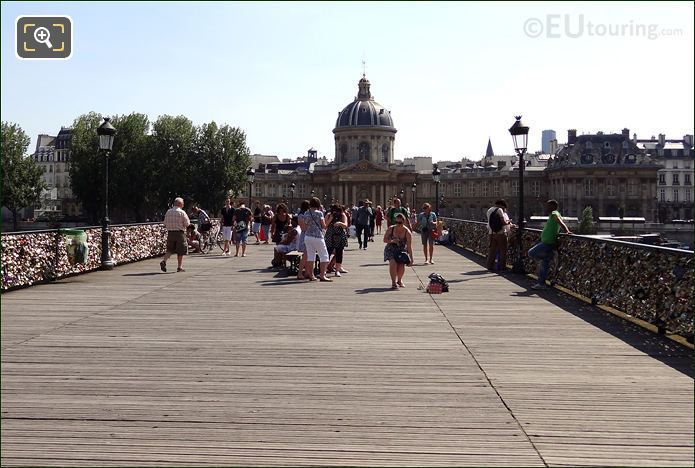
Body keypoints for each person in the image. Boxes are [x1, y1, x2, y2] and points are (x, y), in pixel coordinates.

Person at [528, 199, 572, 290]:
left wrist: (566, 231)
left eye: (548, 206)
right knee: (544, 264)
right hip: (547, 242)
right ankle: (541, 283)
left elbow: (560, 222)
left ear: (552, 206)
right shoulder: (553, 215)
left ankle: (548, 256)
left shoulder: (554, 213)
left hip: (548, 242)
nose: (546, 207)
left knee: (531, 252)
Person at [303, 197, 332, 282]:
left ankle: (311, 275)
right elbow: (324, 226)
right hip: (318, 236)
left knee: (311, 256)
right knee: (324, 256)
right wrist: (329, 220)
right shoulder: (319, 213)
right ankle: (322, 275)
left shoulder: (306, 213)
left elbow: (306, 224)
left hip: (308, 236)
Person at [383, 212, 413, 290]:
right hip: (391, 248)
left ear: (404, 222)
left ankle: (399, 280)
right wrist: (392, 241)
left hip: (401, 250)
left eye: (400, 222)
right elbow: (384, 239)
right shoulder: (391, 228)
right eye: (396, 222)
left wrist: (411, 259)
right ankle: (393, 282)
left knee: (401, 266)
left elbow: (409, 246)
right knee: (393, 263)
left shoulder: (407, 232)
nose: (398, 224)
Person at [160, 197, 190, 273]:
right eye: (183, 203)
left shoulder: (168, 212)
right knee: (180, 250)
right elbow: (187, 224)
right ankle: (179, 267)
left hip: (170, 233)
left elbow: (165, 223)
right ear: (180, 204)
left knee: (170, 249)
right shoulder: (182, 212)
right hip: (179, 233)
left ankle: (164, 261)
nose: (183, 204)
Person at [486, 199, 513, 271]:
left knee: (492, 251)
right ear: (501, 205)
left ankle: (489, 266)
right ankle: (502, 267)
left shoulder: (489, 210)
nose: (504, 209)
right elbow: (503, 222)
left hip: (491, 233)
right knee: (503, 251)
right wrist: (509, 222)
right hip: (500, 233)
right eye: (504, 207)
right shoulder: (499, 210)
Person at [325, 204, 349, 277]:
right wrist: (330, 219)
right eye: (334, 211)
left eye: (337, 211)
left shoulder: (342, 215)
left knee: (339, 253)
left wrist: (340, 223)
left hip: (340, 235)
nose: (336, 213)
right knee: (327, 253)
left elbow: (345, 225)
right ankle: (324, 270)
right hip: (330, 235)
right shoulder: (329, 215)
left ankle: (337, 270)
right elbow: (325, 225)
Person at [296, 200, 311, 280]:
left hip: (308, 236)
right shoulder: (301, 215)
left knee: (307, 256)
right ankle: (300, 273)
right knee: (305, 256)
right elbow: (303, 228)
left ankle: (307, 272)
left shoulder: (305, 215)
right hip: (305, 236)